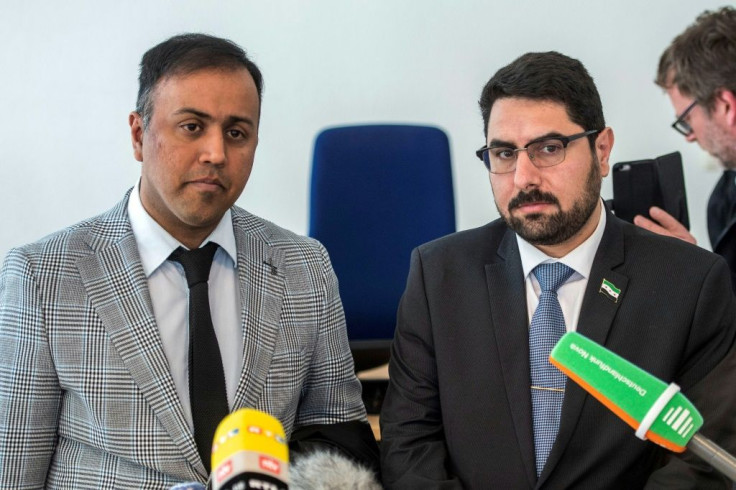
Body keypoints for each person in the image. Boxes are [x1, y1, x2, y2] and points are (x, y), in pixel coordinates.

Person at [0, 33, 379, 489]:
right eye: (192, 127)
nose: (216, 154)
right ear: (139, 135)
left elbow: (340, 436)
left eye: (236, 133)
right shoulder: (43, 275)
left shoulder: (304, 266)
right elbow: (13, 468)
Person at [379, 51, 736, 488]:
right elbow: (409, 443)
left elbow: (706, 457)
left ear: (601, 151)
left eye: (549, 148)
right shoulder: (438, 276)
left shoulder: (691, 283)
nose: (524, 177)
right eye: (504, 153)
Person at [635, 7, 736, 290]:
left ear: (725, 106)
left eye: (687, 120)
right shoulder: (723, 199)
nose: (689, 136)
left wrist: (699, 271)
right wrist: (698, 263)